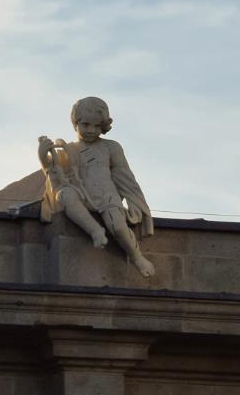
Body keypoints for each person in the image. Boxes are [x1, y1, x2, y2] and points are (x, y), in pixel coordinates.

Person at [39, 94, 155, 278]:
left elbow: (124, 176)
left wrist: (136, 202)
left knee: (117, 226)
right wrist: (44, 159)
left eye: (97, 126)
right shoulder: (68, 149)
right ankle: (95, 231)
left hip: (107, 196)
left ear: (103, 125)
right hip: (81, 195)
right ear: (75, 123)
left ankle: (137, 257)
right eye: (85, 125)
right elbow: (57, 179)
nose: (91, 130)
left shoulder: (111, 147)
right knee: (64, 195)